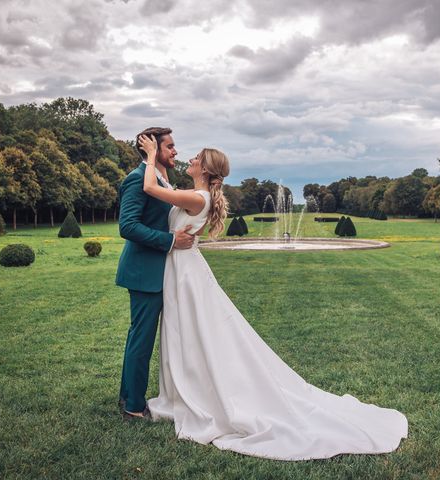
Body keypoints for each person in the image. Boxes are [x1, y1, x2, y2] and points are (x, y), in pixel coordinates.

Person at [137, 134, 408, 460]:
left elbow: (150, 188)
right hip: (182, 268)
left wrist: (151, 156)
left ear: (206, 170)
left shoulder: (198, 197)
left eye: (196, 157)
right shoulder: (197, 194)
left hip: (185, 271)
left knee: (195, 334)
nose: (190, 159)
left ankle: (197, 394)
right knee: (189, 334)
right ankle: (184, 392)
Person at [115, 127, 196, 419]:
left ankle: (128, 397)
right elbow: (128, 226)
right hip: (143, 273)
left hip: (163, 272)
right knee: (142, 339)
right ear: (153, 149)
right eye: (170, 146)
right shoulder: (137, 179)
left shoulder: (162, 180)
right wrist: (171, 241)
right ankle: (134, 406)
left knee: (143, 337)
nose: (175, 151)